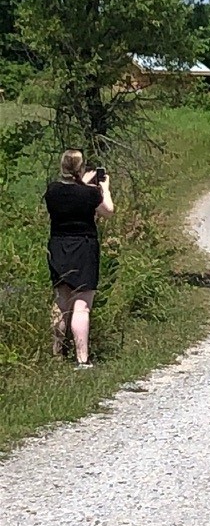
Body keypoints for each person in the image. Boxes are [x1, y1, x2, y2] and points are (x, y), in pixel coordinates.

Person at [45, 151, 113, 368]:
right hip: (83, 247)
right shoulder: (90, 194)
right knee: (81, 306)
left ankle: (56, 354)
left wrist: (81, 183)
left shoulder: (52, 191)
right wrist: (105, 189)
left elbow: (70, 196)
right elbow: (108, 211)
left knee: (61, 302)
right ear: (80, 168)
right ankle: (82, 358)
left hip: (58, 246)